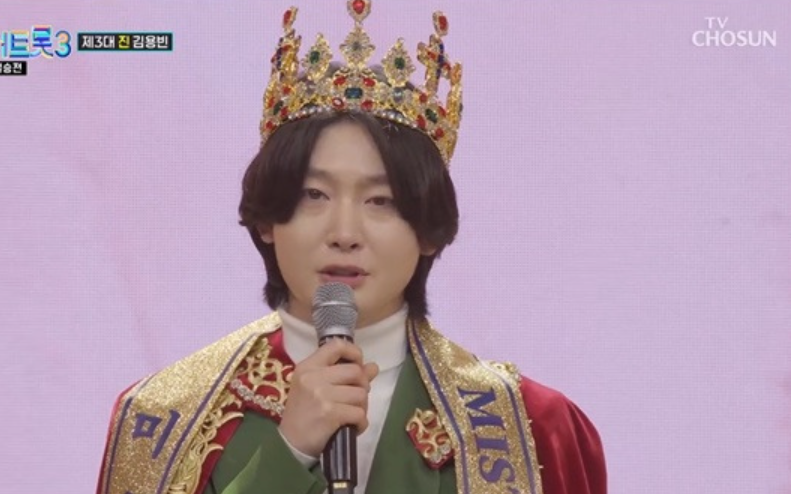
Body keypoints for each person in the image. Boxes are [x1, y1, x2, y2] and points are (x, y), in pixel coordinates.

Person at [96, 2, 607, 494]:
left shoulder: (535, 427)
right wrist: (288, 452)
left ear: (427, 230)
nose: (344, 232)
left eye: (381, 201)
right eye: (313, 195)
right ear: (269, 219)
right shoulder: (162, 418)